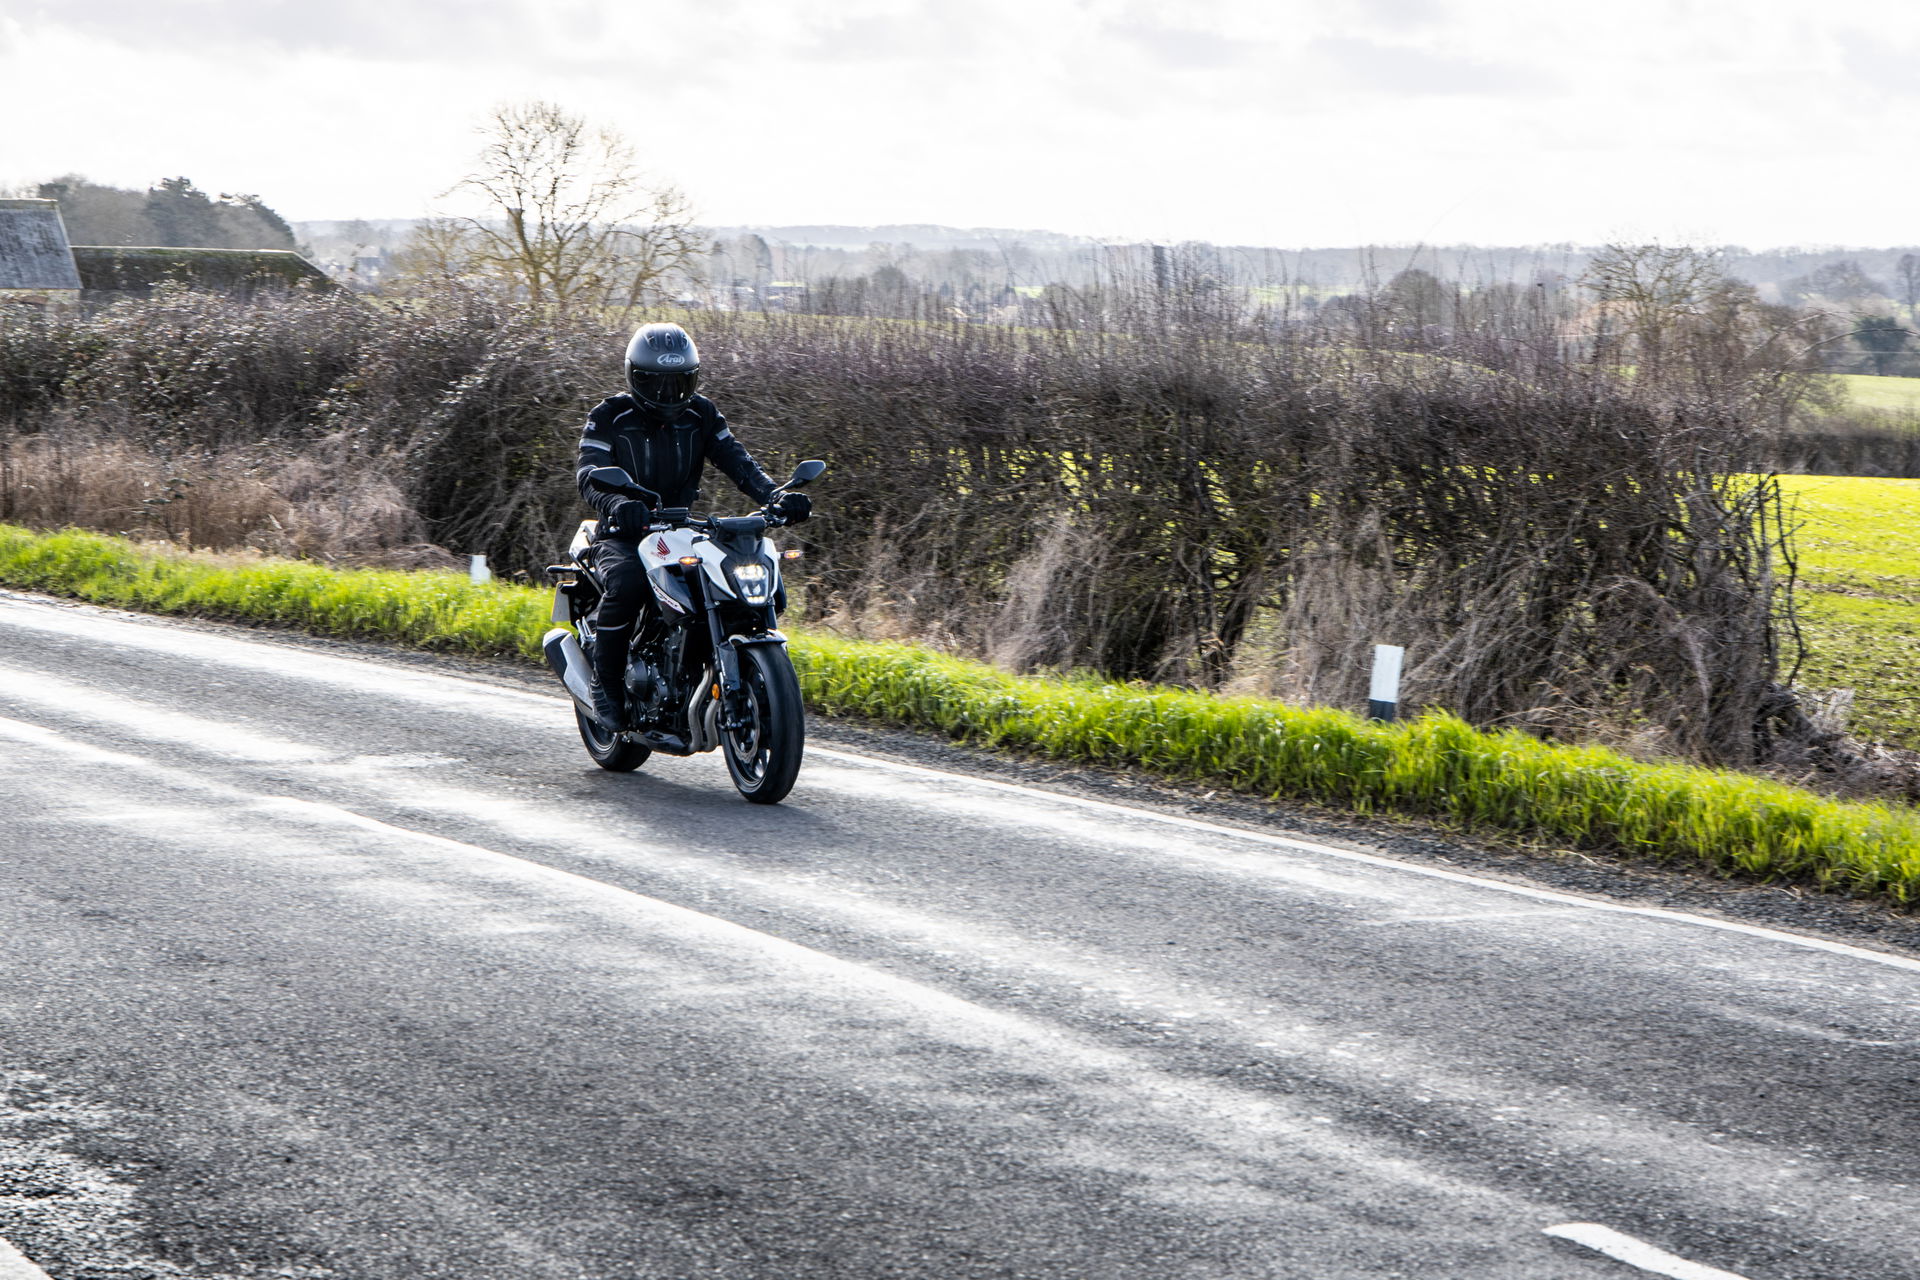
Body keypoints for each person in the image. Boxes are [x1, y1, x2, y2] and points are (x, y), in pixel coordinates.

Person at [575, 322, 811, 727]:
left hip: (683, 530)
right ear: (636, 377)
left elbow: (738, 461)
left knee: (733, 586)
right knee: (629, 581)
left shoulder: (701, 413)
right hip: (624, 531)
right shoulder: (610, 415)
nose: (671, 395)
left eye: (680, 383)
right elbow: (589, 473)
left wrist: (775, 497)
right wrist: (618, 503)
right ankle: (606, 683)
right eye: (658, 384)